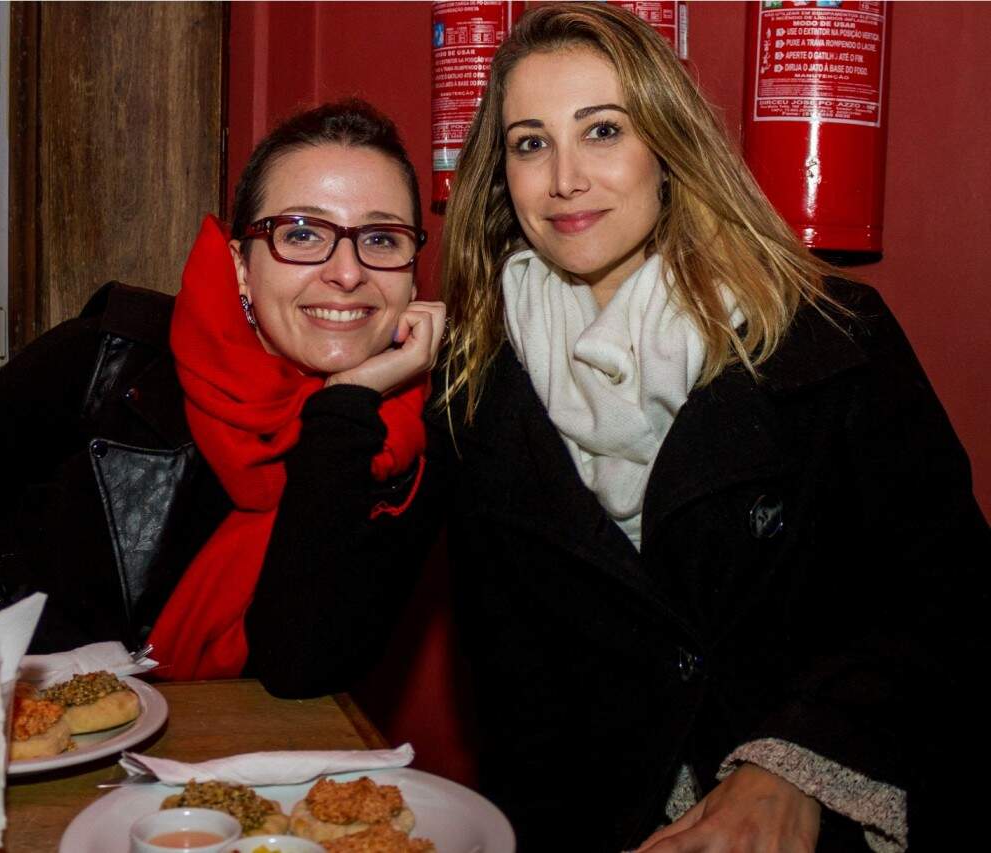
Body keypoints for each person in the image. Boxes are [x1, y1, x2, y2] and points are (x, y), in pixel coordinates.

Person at [246, 5, 989, 851]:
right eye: (530, 142)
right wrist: (348, 401)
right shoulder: (479, 373)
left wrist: (793, 768)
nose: (564, 177)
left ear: (667, 149)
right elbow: (303, 652)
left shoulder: (827, 337)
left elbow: (953, 603)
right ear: (503, 173)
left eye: (602, 131)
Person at [0, 99, 445, 696]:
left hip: (212, 780)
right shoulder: (104, 358)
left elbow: (302, 668)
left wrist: (345, 405)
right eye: (302, 232)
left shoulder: (407, 436)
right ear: (241, 267)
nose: (346, 272)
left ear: (414, 270)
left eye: (381, 240)